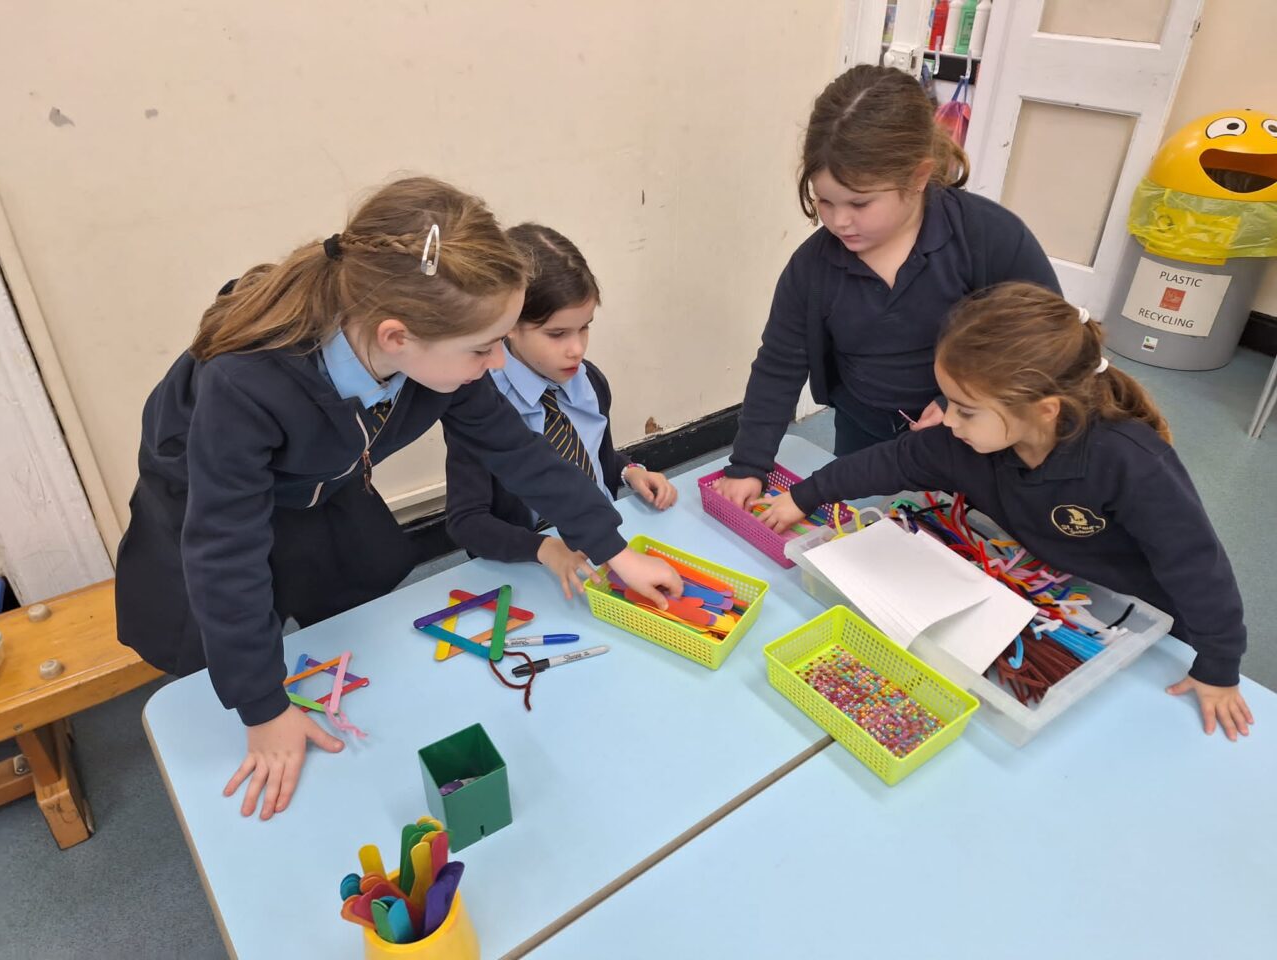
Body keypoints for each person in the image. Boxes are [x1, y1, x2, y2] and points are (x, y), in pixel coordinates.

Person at [115, 178, 681, 820]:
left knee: (354, 601)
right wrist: (265, 708)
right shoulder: (246, 383)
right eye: (483, 347)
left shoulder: (437, 350)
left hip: (324, 476)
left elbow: (519, 454)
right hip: (201, 490)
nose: (498, 363)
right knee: (218, 632)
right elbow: (223, 550)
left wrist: (613, 550)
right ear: (395, 337)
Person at [759, 282, 1254, 740]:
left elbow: (1196, 568)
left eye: (964, 409)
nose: (946, 420)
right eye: (947, 401)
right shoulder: (965, 442)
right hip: (1056, 597)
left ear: (1044, 408)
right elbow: (893, 462)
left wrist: (1218, 666)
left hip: (1144, 622)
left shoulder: (1130, 462)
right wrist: (806, 496)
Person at [715, 63, 1058, 508]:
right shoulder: (811, 268)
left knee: (966, 540)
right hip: (866, 434)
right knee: (865, 534)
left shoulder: (988, 237)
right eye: (825, 200)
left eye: (860, 202)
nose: (839, 220)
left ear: (917, 177)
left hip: (975, 435)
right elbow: (779, 366)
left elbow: (1045, 342)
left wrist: (958, 402)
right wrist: (748, 465)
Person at [445, 223, 677, 597]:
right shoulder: (481, 406)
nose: (576, 349)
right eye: (557, 334)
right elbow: (467, 522)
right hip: (535, 565)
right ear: (509, 327)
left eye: (584, 328)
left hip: (607, 542)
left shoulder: (590, 382)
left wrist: (630, 470)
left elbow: (591, 457)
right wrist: (544, 548)